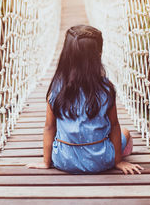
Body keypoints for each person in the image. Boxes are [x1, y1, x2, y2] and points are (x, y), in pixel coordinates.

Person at [27, 25, 143, 174]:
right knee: (125, 132)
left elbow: (49, 127)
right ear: (99, 55)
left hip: (64, 160)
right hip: (100, 161)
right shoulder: (105, 89)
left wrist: (46, 162)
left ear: (65, 56)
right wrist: (118, 161)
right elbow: (114, 125)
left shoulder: (57, 89)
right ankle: (121, 154)